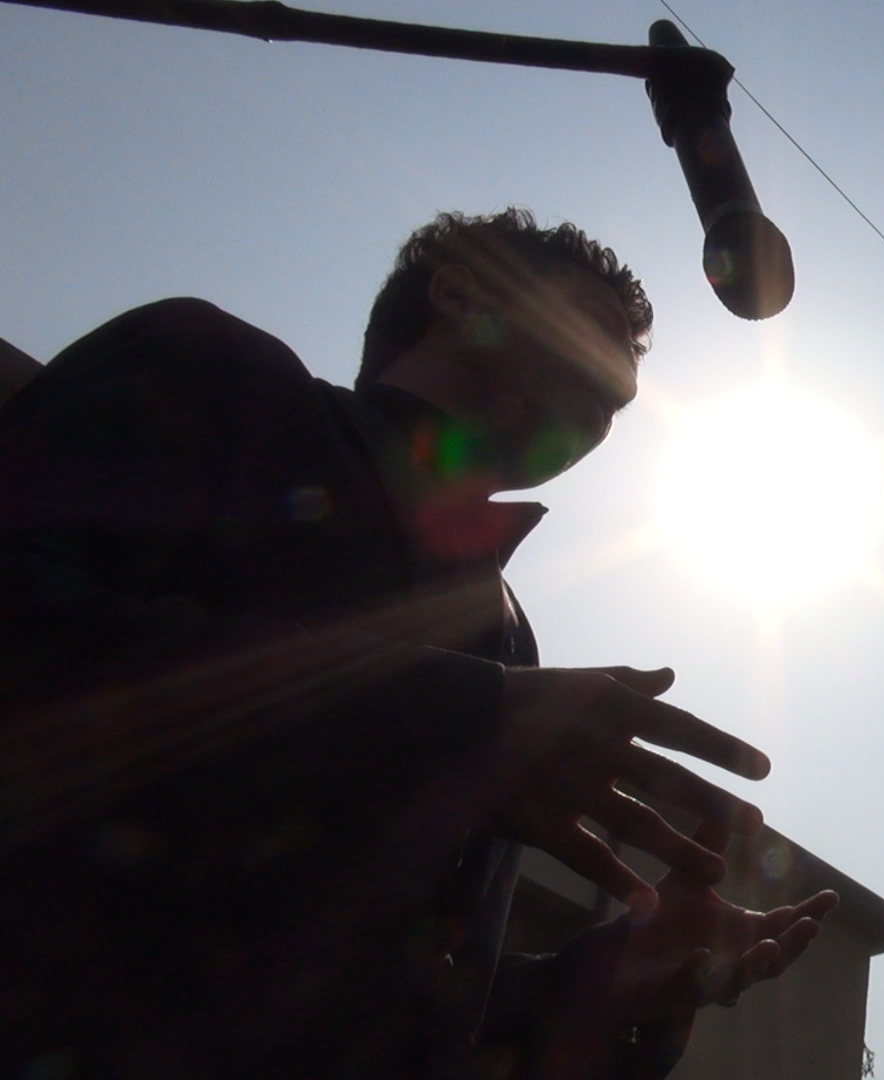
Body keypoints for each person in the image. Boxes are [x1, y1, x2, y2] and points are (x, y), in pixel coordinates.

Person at [0, 209, 835, 1079]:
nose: (620, 384)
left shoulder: (512, 641)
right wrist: (460, 720)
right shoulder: (218, 372)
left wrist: (600, 983)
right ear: (460, 294)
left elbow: (387, 998)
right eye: (592, 321)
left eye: (627, 392)